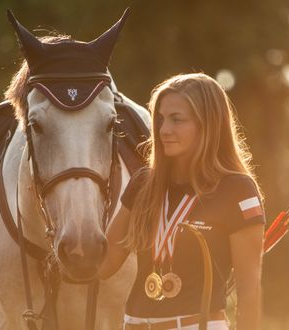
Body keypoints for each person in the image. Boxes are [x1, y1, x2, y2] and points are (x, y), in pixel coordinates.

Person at [99, 73, 265, 330]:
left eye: (177, 120)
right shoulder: (144, 182)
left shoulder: (238, 190)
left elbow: (249, 288)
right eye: (162, 119)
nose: (164, 130)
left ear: (207, 125)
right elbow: (105, 263)